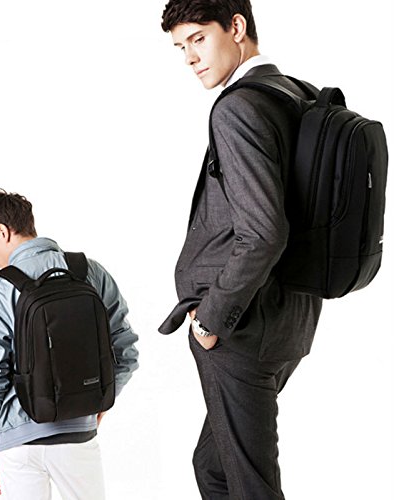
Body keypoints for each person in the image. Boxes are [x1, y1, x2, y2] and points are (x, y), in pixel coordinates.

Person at [158, 1, 322, 498]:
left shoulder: (238, 108)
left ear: (236, 27)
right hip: (290, 318)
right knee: (213, 466)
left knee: (251, 486)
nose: (190, 58)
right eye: (181, 47)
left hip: (241, 329)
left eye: (198, 39)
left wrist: (211, 319)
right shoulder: (298, 95)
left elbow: (264, 231)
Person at [0, 188, 139, 499]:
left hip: (18, 443)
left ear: (3, 232)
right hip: (78, 436)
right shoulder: (89, 272)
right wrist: (97, 402)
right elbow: (126, 351)